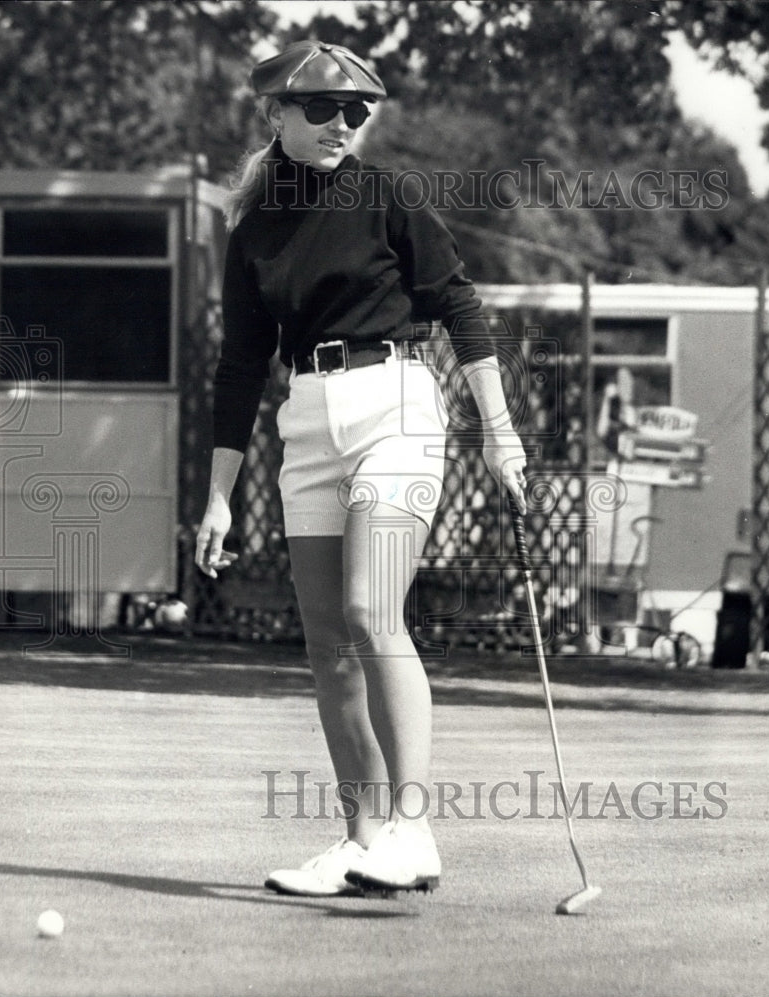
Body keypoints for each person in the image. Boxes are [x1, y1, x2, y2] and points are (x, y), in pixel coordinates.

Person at [195, 40, 527, 897]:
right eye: (321, 108)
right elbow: (240, 366)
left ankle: (412, 830)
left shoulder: (390, 198)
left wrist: (500, 432)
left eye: (355, 111)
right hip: (306, 420)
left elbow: (458, 304)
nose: (341, 123)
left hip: (400, 407)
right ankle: (361, 839)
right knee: (328, 646)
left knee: (369, 609)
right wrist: (219, 500)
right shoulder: (253, 230)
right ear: (276, 115)